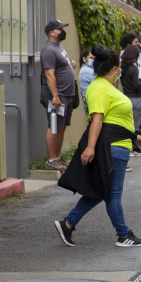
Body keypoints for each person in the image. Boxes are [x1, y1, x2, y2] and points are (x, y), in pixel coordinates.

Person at [54, 46, 141, 248]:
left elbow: (116, 118)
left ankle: (68, 224)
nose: (121, 71)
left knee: (101, 191)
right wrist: (90, 148)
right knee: (112, 194)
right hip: (111, 147)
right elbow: (97, 119)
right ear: (115, 69)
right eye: (120, 67)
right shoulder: (98, 88)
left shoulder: (106, 87)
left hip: (119, 144)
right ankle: (123, 235)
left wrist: (135, 137)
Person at [40, 19, 78, 171]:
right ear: (51, 32)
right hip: (57, 96)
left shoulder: (58, 47)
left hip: (65, 94)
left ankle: (57, 157)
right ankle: (51, 160)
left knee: (61, 127)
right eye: (60, 29)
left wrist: (71, 64)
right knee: (54, 126)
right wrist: (55, 96)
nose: (63, 32)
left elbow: (60, 66)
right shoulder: (48, 50)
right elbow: (49, 75)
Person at [118, 44, 141, 154]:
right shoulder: (133, 69)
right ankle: (134, 147)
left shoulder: (123, 68)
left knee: (128, 123)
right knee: (136, 125)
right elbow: (136, 84)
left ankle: (130, 146)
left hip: (126, 96)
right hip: (136, 98)